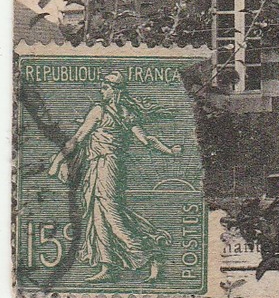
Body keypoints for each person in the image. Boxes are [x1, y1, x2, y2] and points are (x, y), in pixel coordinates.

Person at [48, 69, 181, 282]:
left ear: (115, 90)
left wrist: (57, 161)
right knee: (97, 213)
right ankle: (107, 266)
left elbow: (79, 137)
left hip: (106, 165)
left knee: (110, 213)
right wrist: (168, 150)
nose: (102, 90)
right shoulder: (125, 113)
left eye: (105, 87)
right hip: (99, 166)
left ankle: (150, 254)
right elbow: (147, 140)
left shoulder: (99, 111)